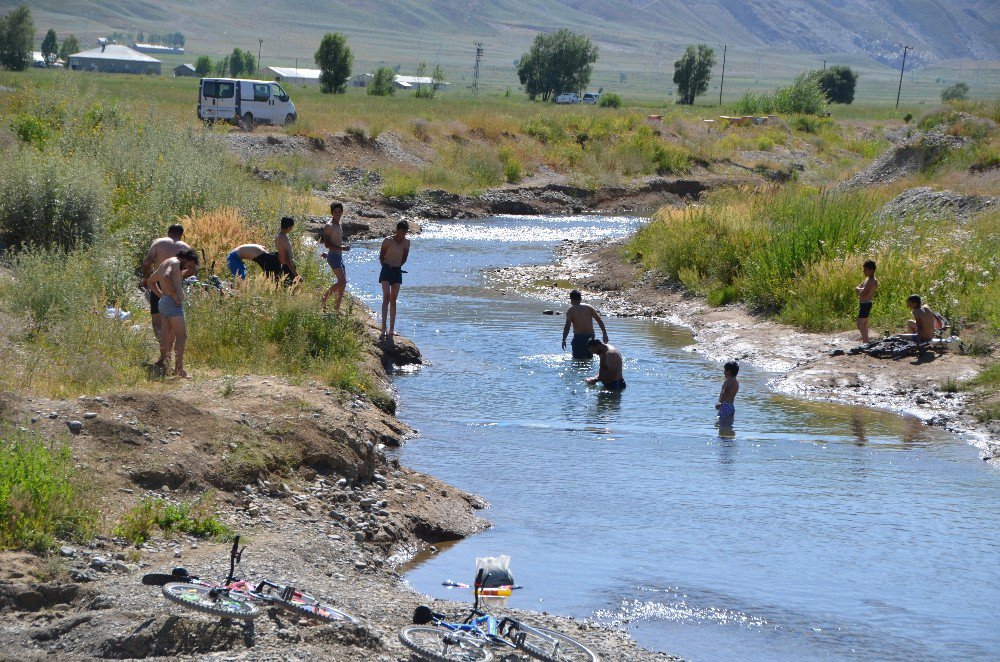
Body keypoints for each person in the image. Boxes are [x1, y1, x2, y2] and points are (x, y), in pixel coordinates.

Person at [147, 248, 199, 378]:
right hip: (172, 304)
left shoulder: (166, 262)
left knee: (168, 336)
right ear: (187, 259)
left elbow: (151, 281)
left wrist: (162, 295)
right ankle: (178, 370)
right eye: (190, 264)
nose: (189, 267)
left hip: (164, 302)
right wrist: (174, 295)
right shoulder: (175, 263)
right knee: (182, 337)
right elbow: (167, 277)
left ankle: (165, 366)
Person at [141, 224, 192, 341]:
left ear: (168, 232)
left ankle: (163, 348)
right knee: (173, 317)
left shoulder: (159, 242)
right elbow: (192, 269)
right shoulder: (186, 247)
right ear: (181, 234)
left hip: (158, 282)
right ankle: (171, 347)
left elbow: (147, 262)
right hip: (175, 285)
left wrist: (146, 278)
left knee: (157, 319)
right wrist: (181, 277)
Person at [379, 220, 410, 337]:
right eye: (401, 231)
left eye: (405, 231)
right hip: (386, 268)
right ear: (397, 230)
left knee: (393, 299)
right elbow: (381, 256)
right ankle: (383, 328)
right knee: (386, 297)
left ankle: (391, 329)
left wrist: (397, 266)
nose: (403, 233)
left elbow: (405, 257)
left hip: (397, 270)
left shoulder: (406, 242)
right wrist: (386, 268)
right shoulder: (388, 240)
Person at [562, 289, 609, 359]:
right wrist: (604, 334)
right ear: (580, 299)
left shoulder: (571, 311)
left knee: (577, 360)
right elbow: (599, 321)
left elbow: (567, 327)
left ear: (571, 300)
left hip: (578, 338)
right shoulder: (589, 307)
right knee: (589, 359)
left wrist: (564, 339)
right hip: (590, 339)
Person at [321, 202, 350, 311]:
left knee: (343, 284)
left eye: (340, 211)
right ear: (332, 213)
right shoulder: (329, 226)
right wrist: (342, 248)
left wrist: (342, 248)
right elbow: (327, 244)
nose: (338, 213)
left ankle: (336, 309)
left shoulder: (339, 224)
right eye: (336, 212)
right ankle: (324, 299)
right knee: (342, 281)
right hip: (333, 256)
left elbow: (336, 242)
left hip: (339, 256)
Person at [855, 259, 878, 342]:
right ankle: (866, 340)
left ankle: (865, 340)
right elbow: (857, 288)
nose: (863, 271)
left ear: (871, 270)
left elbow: (861, 292)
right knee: (863, 324)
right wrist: (860, 290)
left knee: (860, 323)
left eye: (865, 269)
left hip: (866, 303)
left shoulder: (872, 281)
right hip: (863, 303)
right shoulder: (867, 279)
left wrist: (859, 290)